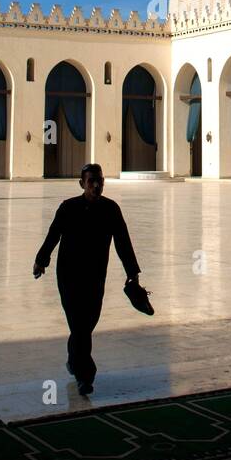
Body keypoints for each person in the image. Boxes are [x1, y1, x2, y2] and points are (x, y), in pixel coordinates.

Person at [32, 163, 153, 396]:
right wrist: (41, 261)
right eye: (91, 182)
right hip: (68, 275)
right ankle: (85, 376)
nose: (96, 185)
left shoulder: (111, 209)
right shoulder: (68, 208)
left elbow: (123, 242)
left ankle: (73, 358)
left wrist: (132, 273)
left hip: (95, 276)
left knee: (86, 323)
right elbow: (53, 234)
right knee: (79, 324)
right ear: (82, 184)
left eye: (99, 181)